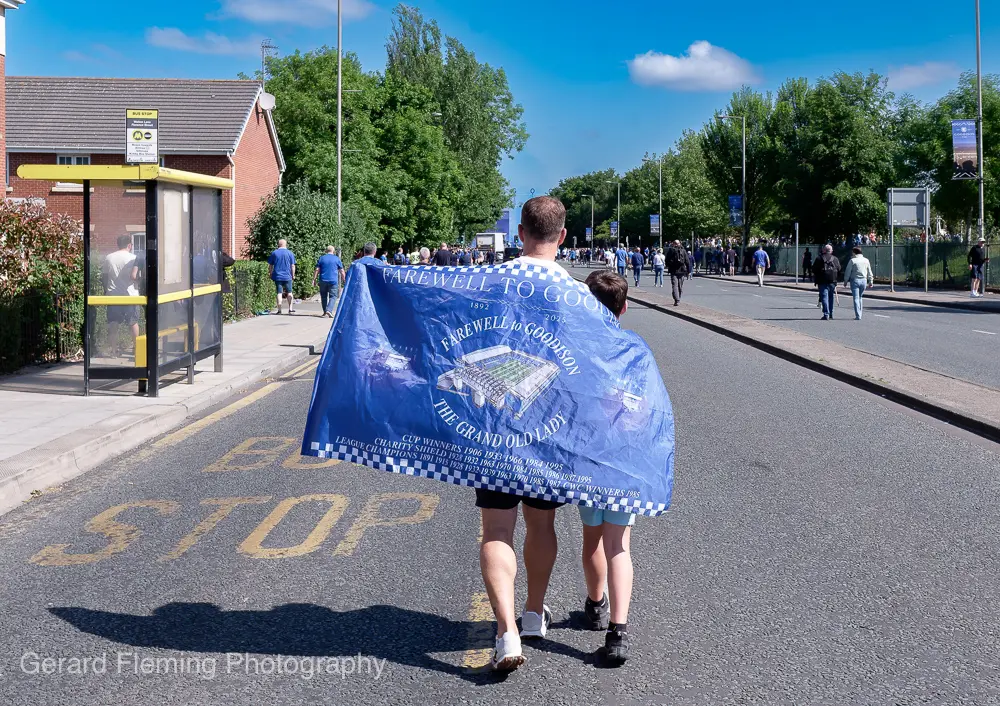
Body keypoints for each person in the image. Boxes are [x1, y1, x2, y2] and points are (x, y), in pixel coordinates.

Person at [480, 196, 569, 672]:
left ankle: (506, 633)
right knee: (542, 523)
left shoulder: (494, 280)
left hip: (496, 418)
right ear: (562, 235)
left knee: (497, 528)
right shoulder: (574, 293)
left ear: (519, 234)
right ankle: (533, 612)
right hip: (547, 424)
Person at [580, 268, 635, 665]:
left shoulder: (578, 350)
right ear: (625, 307)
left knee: (592, 540)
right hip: (624, 458)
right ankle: (618, 631)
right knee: (620, 546)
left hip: (587, 459)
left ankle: (595, 604)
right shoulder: (634, 350)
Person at [103, 234, 139, 358]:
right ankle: (137, 349)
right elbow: (136, 277)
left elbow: (104, 276)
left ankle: (113, 351)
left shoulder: (109, 257)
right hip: (130, 295)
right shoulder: (133, 258)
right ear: (129, 245)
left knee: (113, 323)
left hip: (113, 295)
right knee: (133, 322)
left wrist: (105, 291)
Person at [312, 246, 346, 318]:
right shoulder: (336, 259)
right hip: (333, 281)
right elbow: (342, 271)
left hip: (323, 280)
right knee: (333, 296)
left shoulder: (322, 258)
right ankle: (329, 310)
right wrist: (344, 279)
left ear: (326, 251)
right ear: (333, 251)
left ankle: (325, 312)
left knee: (323, 296)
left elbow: (317, 269)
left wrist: (314, 279)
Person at [842, 246, 874, 321]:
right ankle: (860, 313)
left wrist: (845, 281)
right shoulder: (866, 260)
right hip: (864, 280)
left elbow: (848, 272)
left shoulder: (852, 260)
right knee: (860, 297)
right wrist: (871, 281)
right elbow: (869, 271)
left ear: (854, 252)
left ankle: (858, 315)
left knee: (856, 298)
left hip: (855, 280)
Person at [268, 239, 297, 315]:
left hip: (277, 276)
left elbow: (271, 265)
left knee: (279, 293)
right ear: (285, 244)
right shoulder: (290, 253)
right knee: (289, 292)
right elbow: (293, 265)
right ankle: (290, 309)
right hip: (288, 276)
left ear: (278, 244)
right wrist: (293, 275)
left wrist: (270, 273)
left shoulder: (274, 253)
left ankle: (279, 310)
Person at [813, 244, 841, 320]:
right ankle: (831, 313)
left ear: (824, 250)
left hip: (822, 281)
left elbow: (814, 269)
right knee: (830, 297)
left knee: (824, 297)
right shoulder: (835, 259)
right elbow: (839, 269)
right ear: (831, 251)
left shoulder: (819, 258)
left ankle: (826, 314)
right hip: (832, 281)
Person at [665, 240, 688, 306]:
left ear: (673, 244)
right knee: (680, 286)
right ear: (679, 244)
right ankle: (678, 298)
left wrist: (668, 266)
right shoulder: (683, 250)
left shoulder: (671, 250)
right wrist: (688, 271)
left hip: (673, 270)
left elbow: (667, 260)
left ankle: (676, 300)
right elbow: (687, 261)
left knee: (674, 286)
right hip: (682, 270)